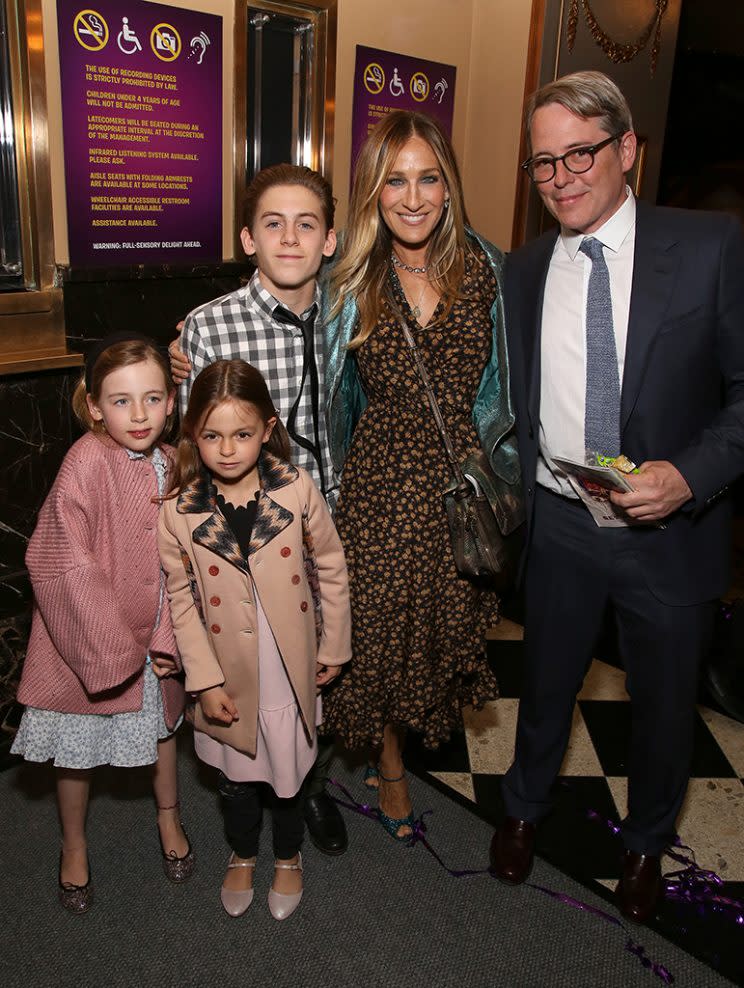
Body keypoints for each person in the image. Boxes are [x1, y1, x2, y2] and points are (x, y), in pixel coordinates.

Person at [490, 70, 744, 924]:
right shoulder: (521, 272)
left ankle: (643, 846)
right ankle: (522, 813)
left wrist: (688, 476)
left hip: (672, 531)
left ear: (627, 149)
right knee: (546, 684)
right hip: (560, 523)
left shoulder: (711, 246)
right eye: (543, 164)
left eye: (579, 155)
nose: (560, 178)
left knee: (667, 708)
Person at [320, 110, 521, 838]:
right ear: (373, 191)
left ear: (449, 185)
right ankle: (395, 764)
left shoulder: (491, 268)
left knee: (436, 633)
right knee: (379, 632)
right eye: (394, 180)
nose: (412, 196)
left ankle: (403, 738)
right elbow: (276, 313)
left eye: (428, 177)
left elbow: (522, 377)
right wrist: (193, 343)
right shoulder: (350, 279)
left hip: (462, 486)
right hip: (378, 483)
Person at [168, 165, 349, 856]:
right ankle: (251, 791)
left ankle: (308, 783)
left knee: (320, 670)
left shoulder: (350, 314)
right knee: (252, 671)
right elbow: (194, 445)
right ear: (248, 238)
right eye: (272, 224)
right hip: (247, 544)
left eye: (307, 224)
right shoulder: (212, 327)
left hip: (334, 521)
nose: (291, 238)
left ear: (330, 239)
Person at [158, 359, 351, 920]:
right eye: (212, 435)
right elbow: (182, 599)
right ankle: (243, 851)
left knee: (289, 777)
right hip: (229, 672)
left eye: (242, 434)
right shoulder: (178, 511)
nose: (226, 449)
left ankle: (287, 856)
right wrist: (204, 679)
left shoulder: (295, 488)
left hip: (288, 665)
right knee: (237, 783)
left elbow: (333, 567)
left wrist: (334, 646)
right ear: (193, 432)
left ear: (267, 429)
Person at [12, 334, 192, 913]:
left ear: (171, 401)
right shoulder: (84, 463)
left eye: (153, 398)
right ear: (93, 405)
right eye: (120, 401)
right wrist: (116, 646)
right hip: (87, 644)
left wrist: (166, 636)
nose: (139, 415)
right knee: (77, 751)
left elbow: (182, 560)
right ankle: (73, 844)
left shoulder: (174, 463)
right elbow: (60, 560)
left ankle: (169, 817)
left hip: (155, 638)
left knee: (164, 733)